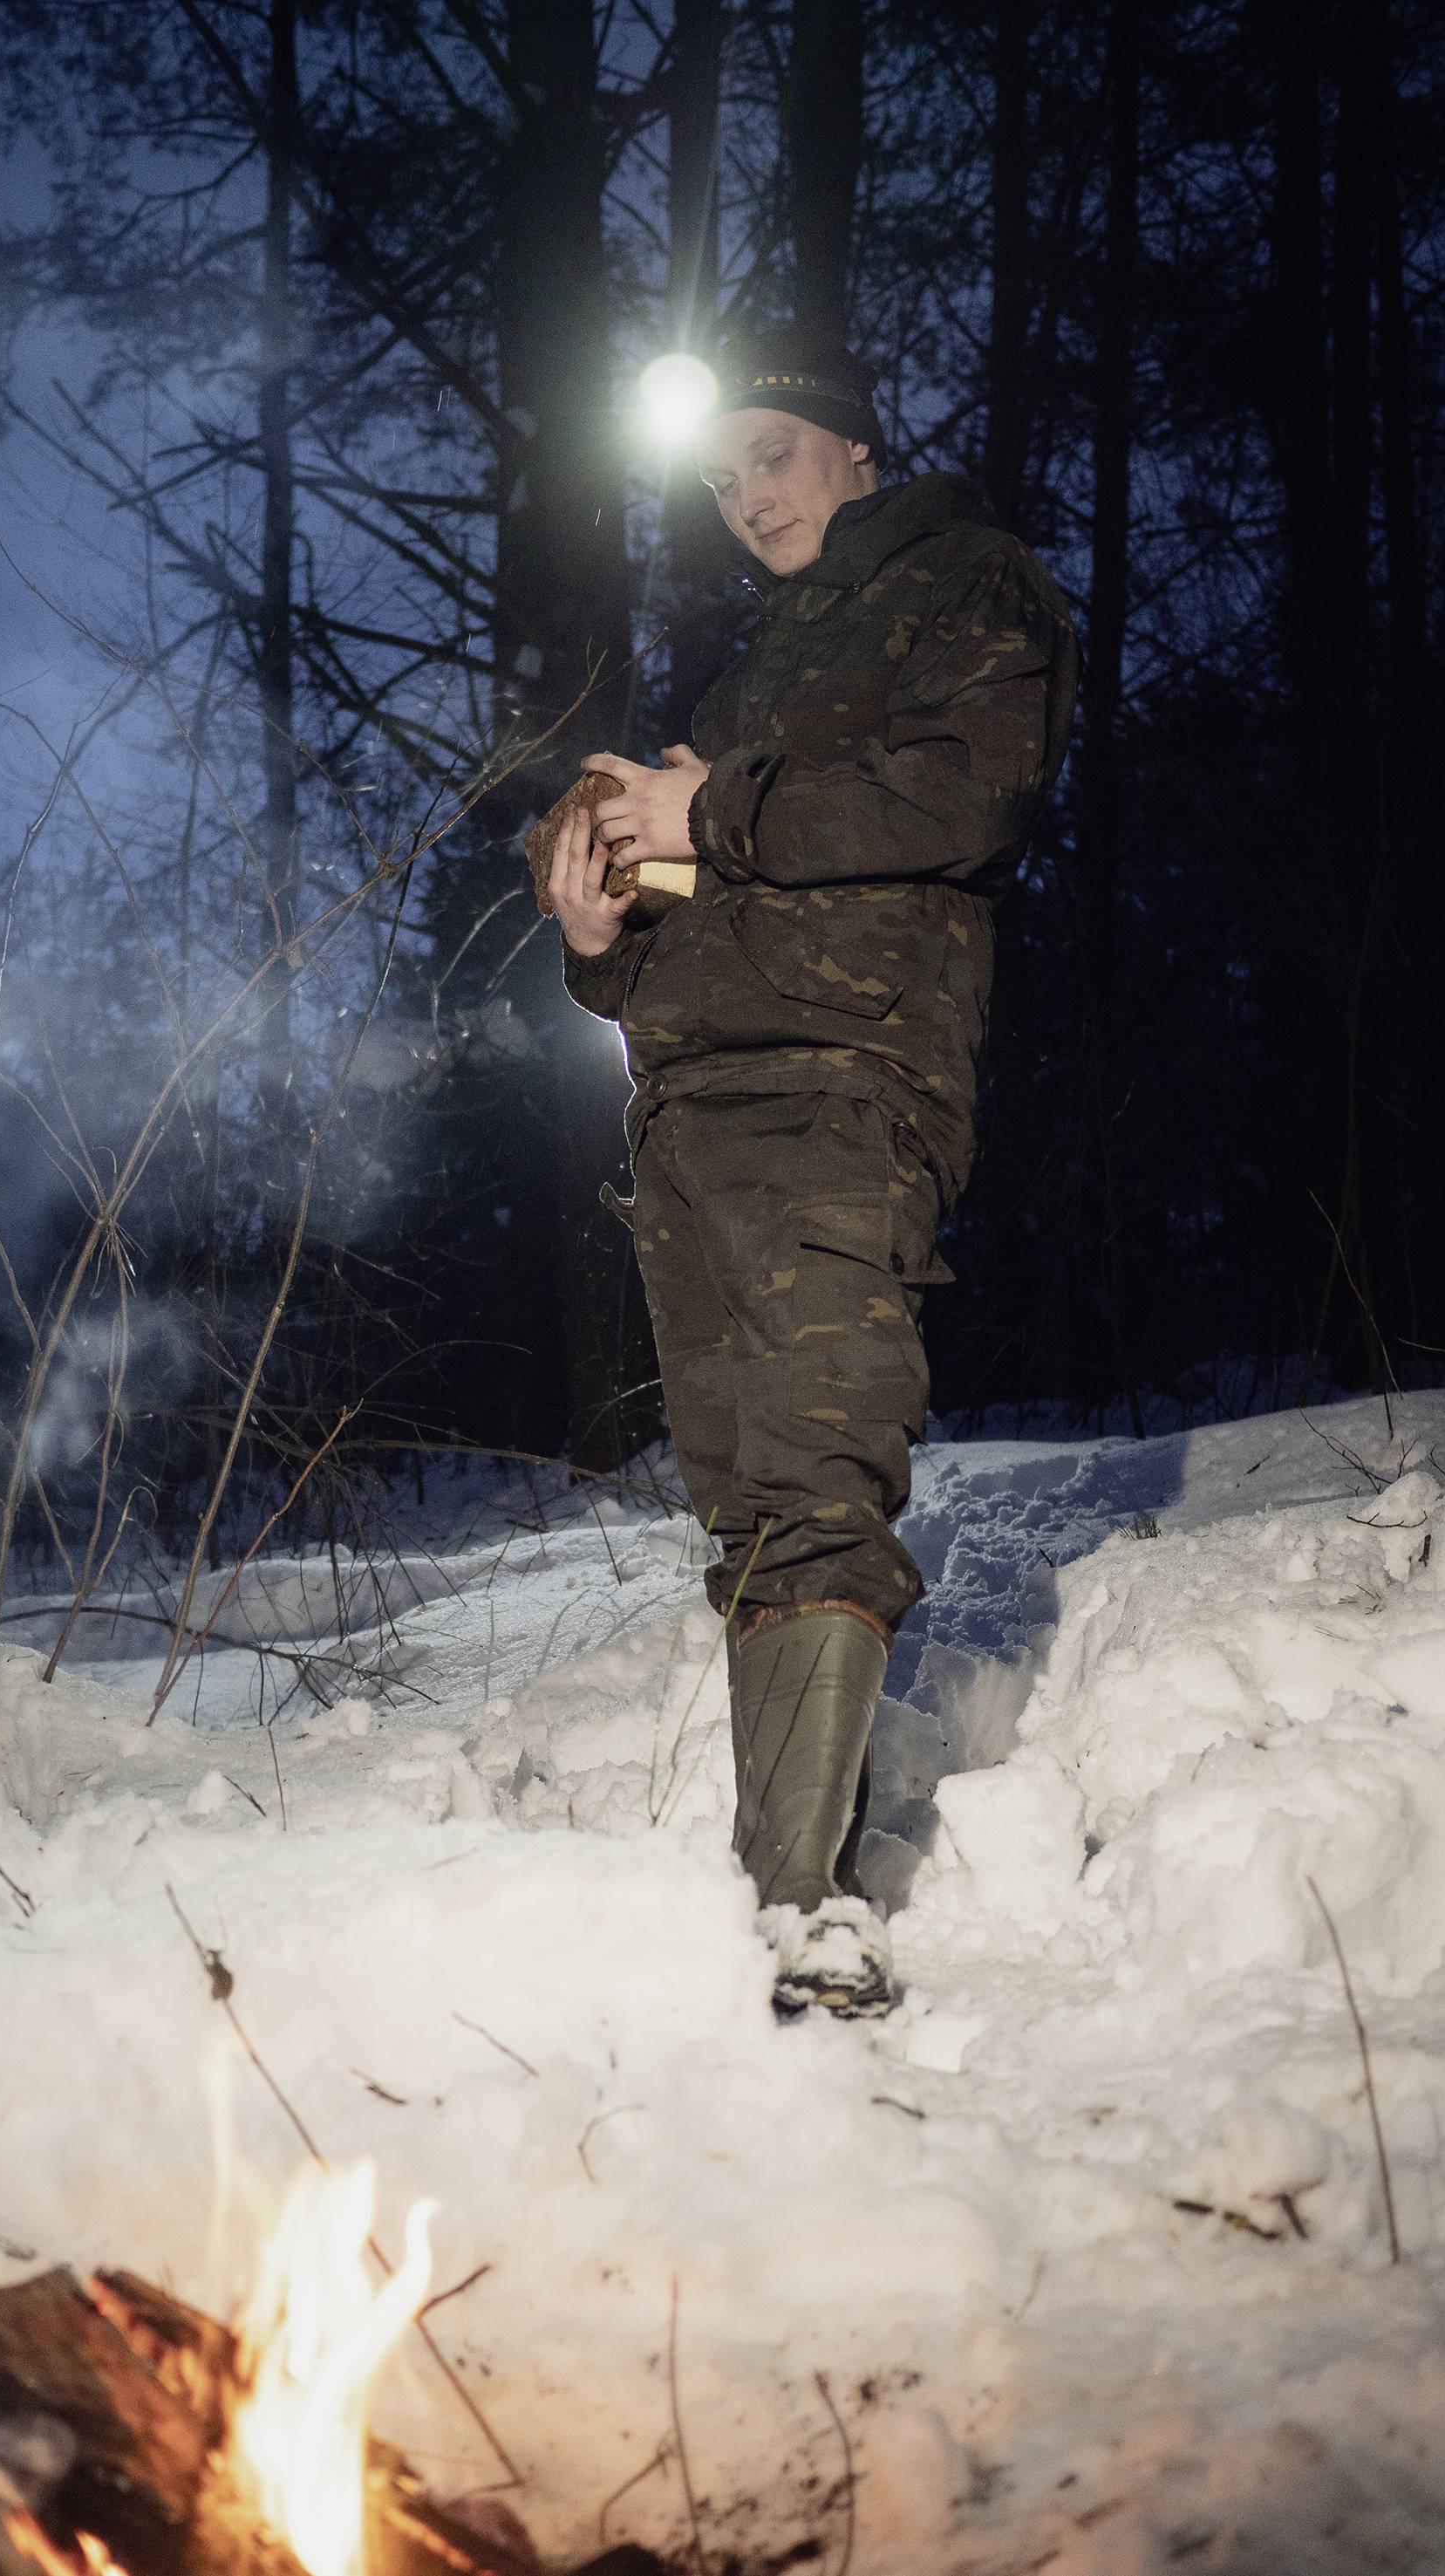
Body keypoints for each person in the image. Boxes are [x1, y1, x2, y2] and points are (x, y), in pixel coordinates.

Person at [544, 328, 1079, 2019]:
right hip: (691, 1101)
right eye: (718, 478)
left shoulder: (968, 583)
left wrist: (723, 812)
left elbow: (968, 794)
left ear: (855, 450)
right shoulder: (760, 663)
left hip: (841, 1082)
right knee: (747, 1495)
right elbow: (722, 887)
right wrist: (597, 936)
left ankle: (807, 1913)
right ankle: (779, 1875)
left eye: (769, 454)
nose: (742, 496)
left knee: (818, 1458)